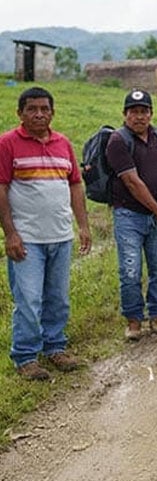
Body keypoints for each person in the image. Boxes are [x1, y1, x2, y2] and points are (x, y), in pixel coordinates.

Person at [0, 87, 91, 380]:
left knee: (58, 298)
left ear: (52, 112)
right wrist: (10, 233)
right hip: (27, 239)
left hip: (61, 236)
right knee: (28, 298)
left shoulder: (63, 143)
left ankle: (55, 348)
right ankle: (26, 356)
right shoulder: (7, 144)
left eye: (44, 109)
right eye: (32, 109)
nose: (39, 114)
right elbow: (1, 188)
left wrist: (84, 226)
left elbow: (75, 185)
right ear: (20, 113)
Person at [106, 90, 157, 341]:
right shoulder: (118, 140)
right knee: (130, 271)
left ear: (150, 113)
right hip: (129, 215)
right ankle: (134, 321)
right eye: (133, 111)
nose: (139, 116)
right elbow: (132, 182)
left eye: (144, 111)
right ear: (125, 115)